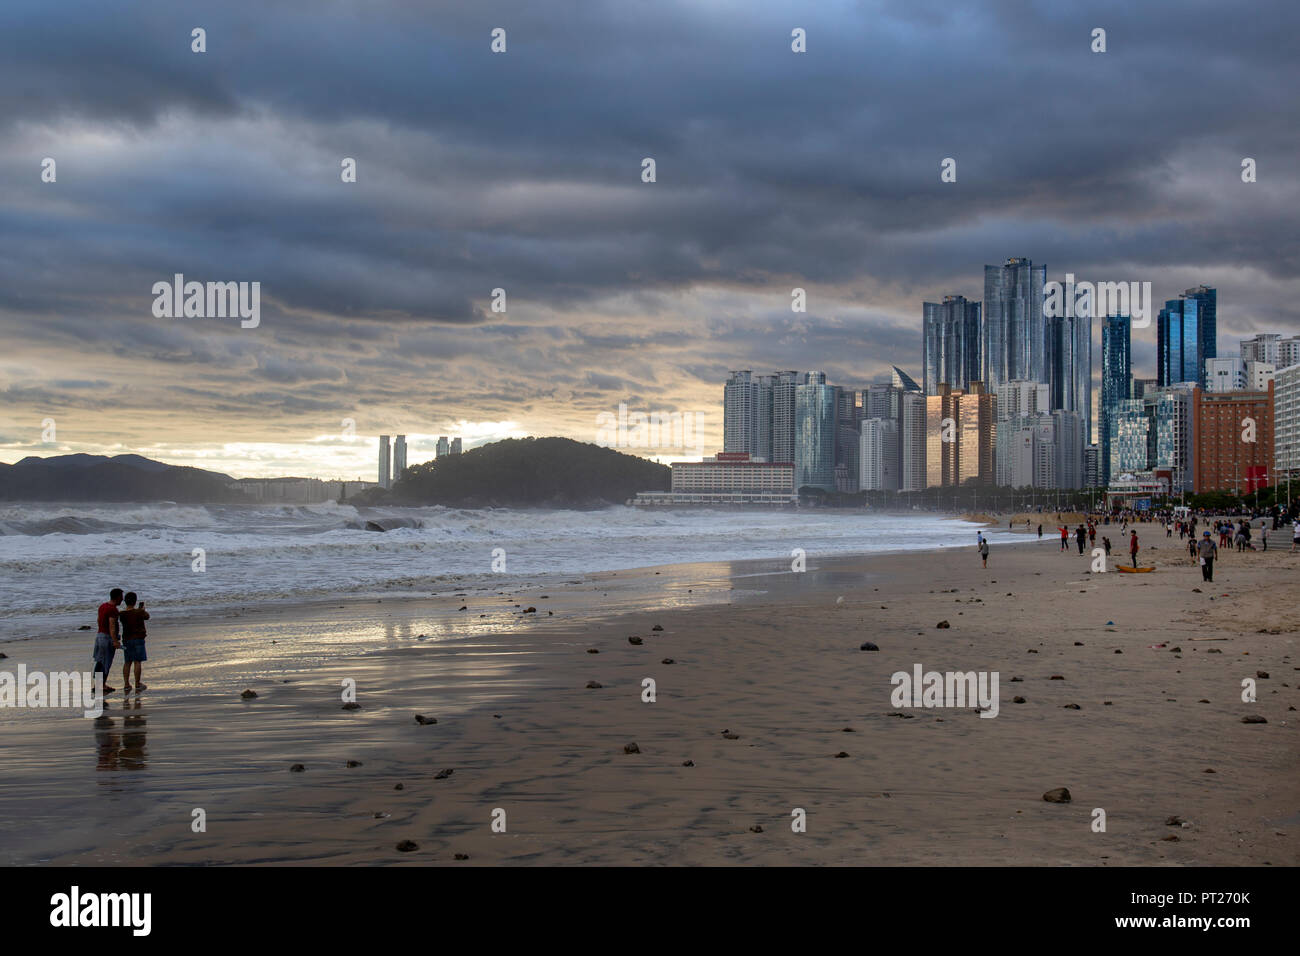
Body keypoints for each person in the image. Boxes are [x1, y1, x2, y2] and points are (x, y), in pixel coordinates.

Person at [93, 588, 123, 695]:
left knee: (100, 661)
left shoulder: (102, 606)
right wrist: (115, 641)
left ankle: (99, 684)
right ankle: (101, 685)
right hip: (107, 638)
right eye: (121, 597)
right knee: (106, 662)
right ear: (118, 597)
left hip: (99, 636)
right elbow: (112, 626)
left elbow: (98, 620)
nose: (122, 599)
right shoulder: (113, 609)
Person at [119, 592, 150, 692]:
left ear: (125, 601)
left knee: (127, 662)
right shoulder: (138, 612)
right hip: (138, 638)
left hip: (126, 639)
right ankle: (137, 683)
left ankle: (126, 684)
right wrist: (142, 610)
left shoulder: (122, 614)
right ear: (135, 601)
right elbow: (147, 616)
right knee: (137, 662)